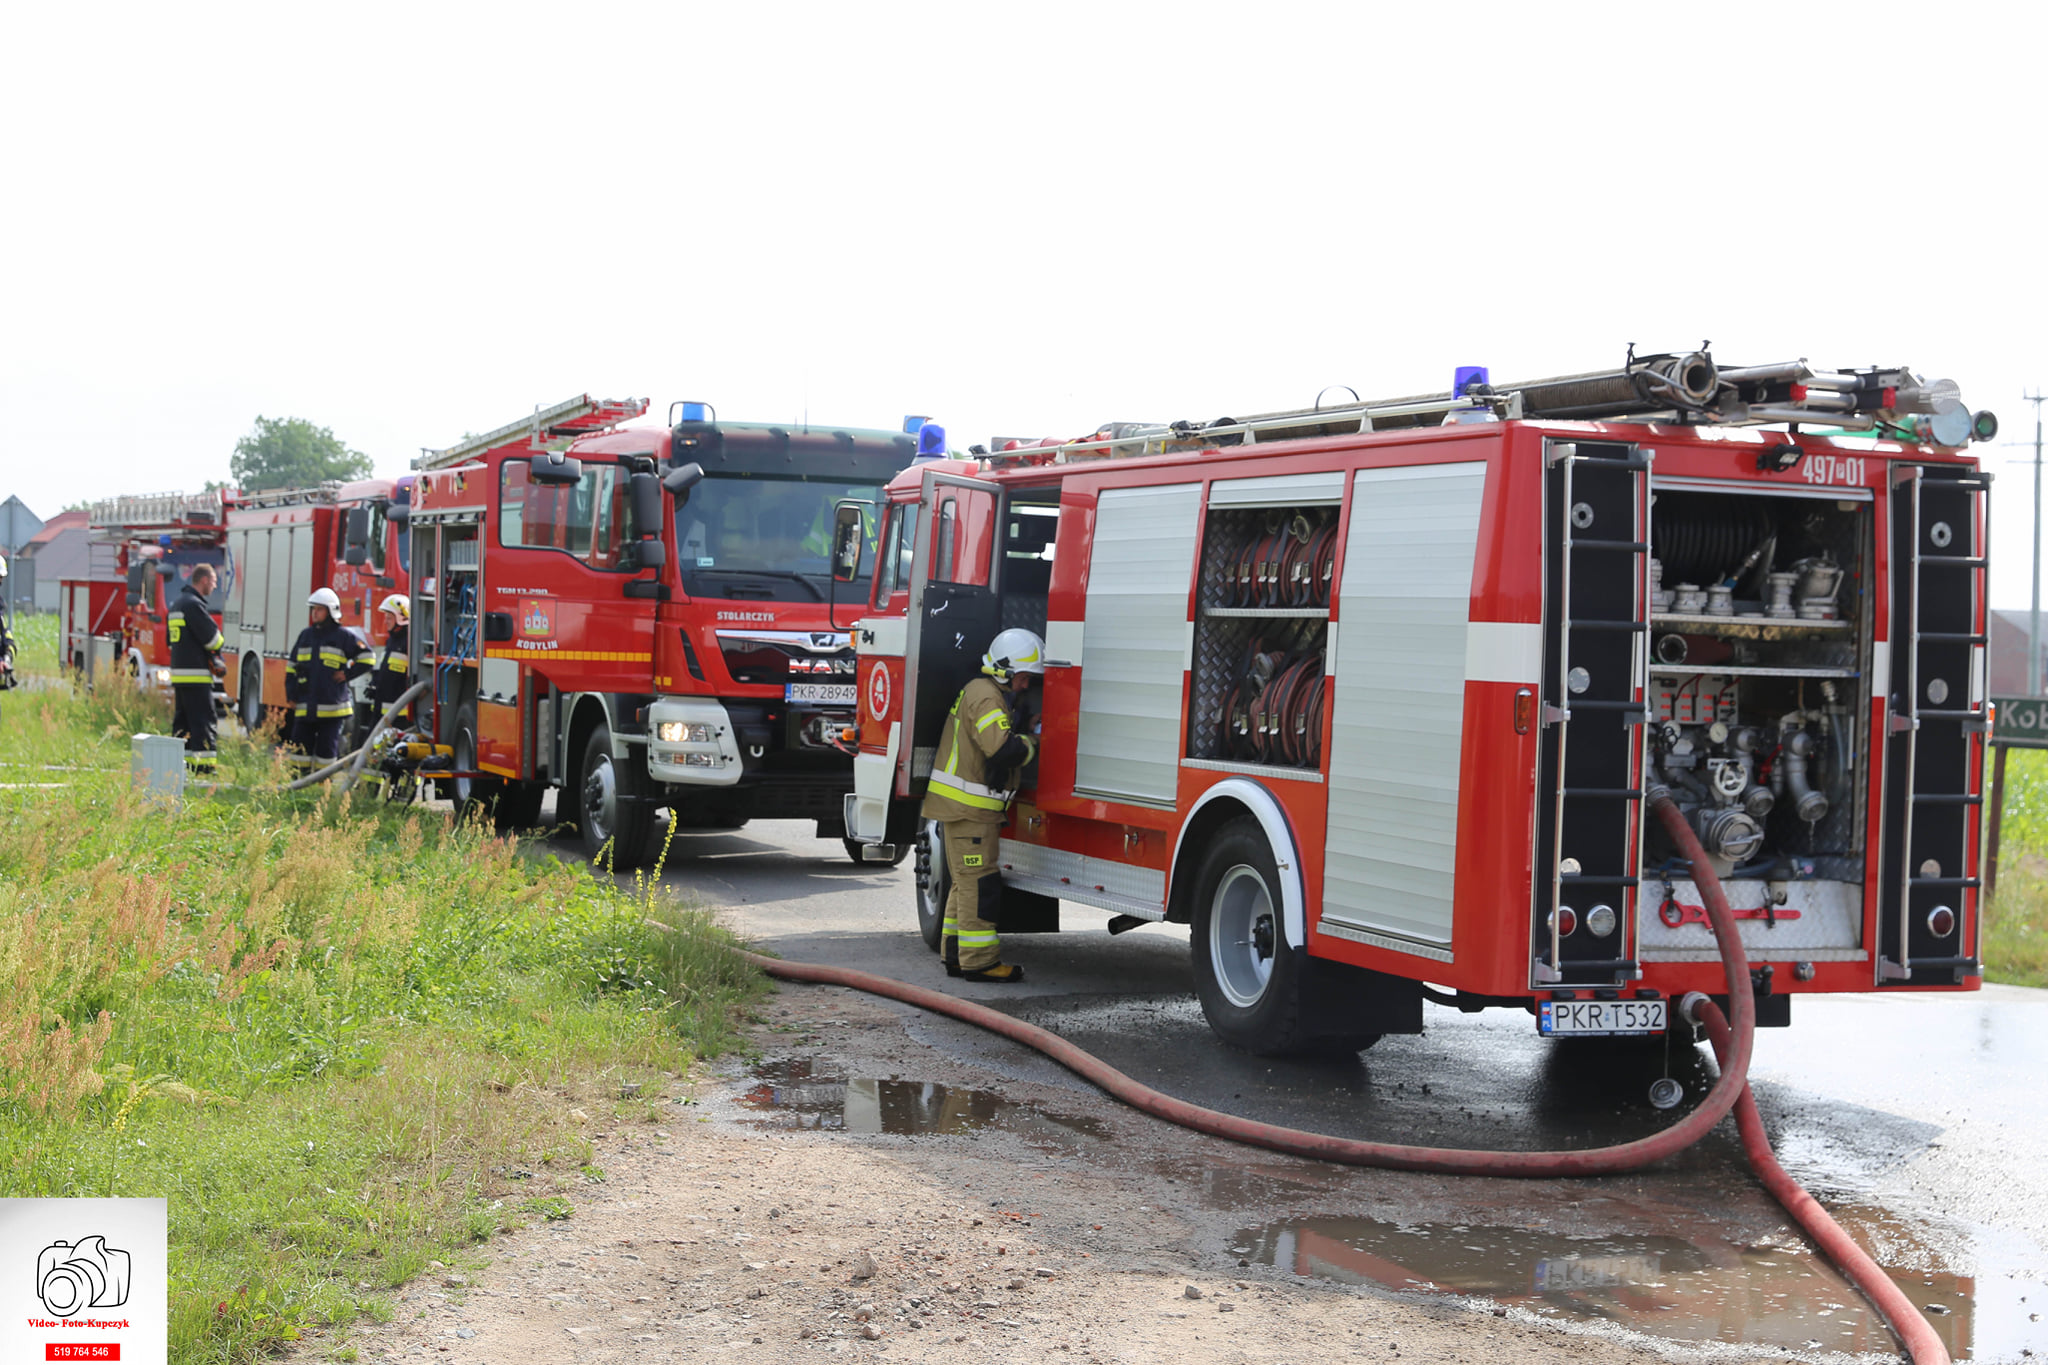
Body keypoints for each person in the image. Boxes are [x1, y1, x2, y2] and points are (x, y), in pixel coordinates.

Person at [920, 627, 1045, 983]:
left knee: (964, 883)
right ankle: (980, 962)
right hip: (969, 813)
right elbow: (1002, 750)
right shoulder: (987, 697)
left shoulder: (982, 692)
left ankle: (957, 954)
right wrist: (1035, 740)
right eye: (1023, 677)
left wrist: (1023, 726)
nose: (1025, 686)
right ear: (1006, 670)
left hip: (964, 810)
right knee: (979, 885)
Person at [287, 587, 370, 761]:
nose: (314, 613)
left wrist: (347, 674)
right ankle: (299, 786)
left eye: (319, 609)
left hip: (332, 712)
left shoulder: (343, 636)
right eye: (313, 609)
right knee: (298, 756)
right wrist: (291, 694)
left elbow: (368, 657)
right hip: (305, 708)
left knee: (326, 757)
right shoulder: (305, 636)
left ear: (331, 611)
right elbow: (292, 667)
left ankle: (323, 787)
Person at [166, 563, 225, 769]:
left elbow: (169, 641)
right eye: (214, 582)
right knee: (203, 722)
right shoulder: (194, 605)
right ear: (204, 580)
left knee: (182, 724)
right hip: (197, 676)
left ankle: (182, 766)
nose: (214, 587)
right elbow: (213, 640)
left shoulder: (176, 605)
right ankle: (205, 768)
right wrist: (218, 647)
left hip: (180, 676)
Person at [366, 593, 412, 723]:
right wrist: (374, 684)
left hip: (399, 717)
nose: (385, 621)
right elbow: (385, 670)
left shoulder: (408, 642)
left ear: (401, 618)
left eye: (389, 618)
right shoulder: (392, 641)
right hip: (381, 712)